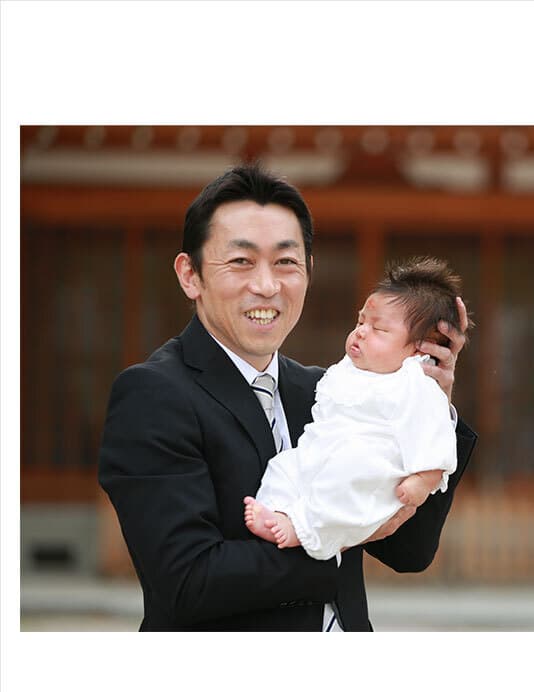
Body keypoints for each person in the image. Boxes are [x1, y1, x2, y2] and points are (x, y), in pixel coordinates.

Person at [97, 164, 477, 631]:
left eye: (286, 262)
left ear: (308, 272)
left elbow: (408, 551)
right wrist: (327, 544)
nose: (267, 285)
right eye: (241, 261)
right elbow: (187, 581)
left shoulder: (329, 392)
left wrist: (431, 403)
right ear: (190, 275)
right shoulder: (153, 394)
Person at [243, 257, 469, 561]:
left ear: (420, 349)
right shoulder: (342, 373)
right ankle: (279, 511)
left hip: (365, 466)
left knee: (341, 483)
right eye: (360, 322)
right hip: (319, 451)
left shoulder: (415, 384)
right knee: (284, 467)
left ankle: (306, 529)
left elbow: (411, 553)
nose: (361, 331)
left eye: (378, 329)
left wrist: (423, 478)